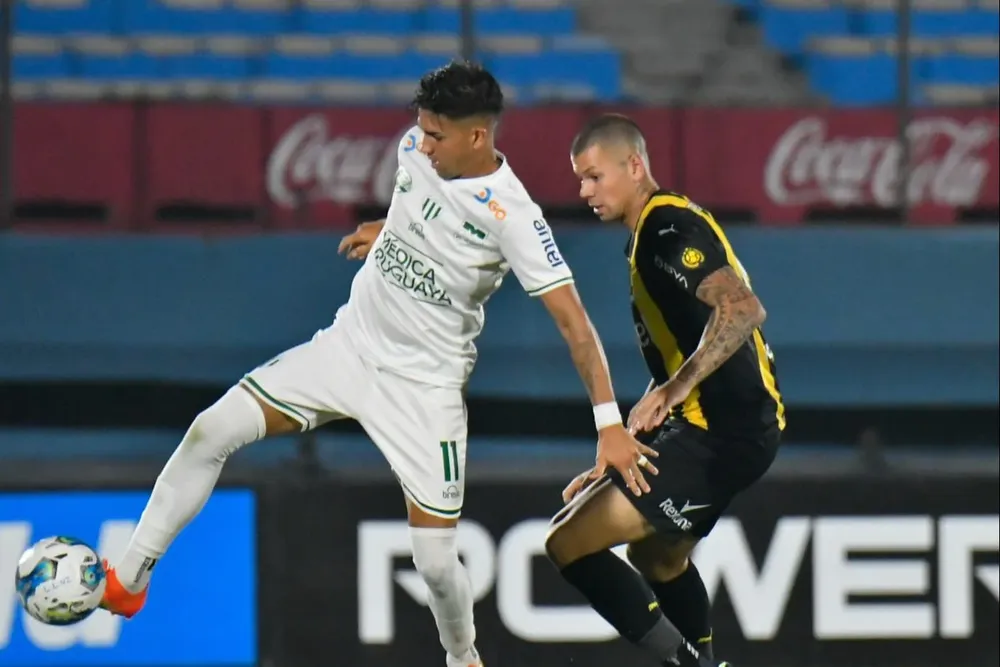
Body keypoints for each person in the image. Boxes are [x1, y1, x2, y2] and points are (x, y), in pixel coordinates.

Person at [98, 64, 657, 667]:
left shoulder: (513, 217)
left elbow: (576, 326)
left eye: (438, 135)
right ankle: (129, 579)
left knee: (436, 565)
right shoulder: (416, 147)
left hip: (425, 391)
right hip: (348, 347)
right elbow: (417, 204)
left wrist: (608, 425)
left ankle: (463, 657)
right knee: (212, 429)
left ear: (477, 137)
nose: (423, 142)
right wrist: (389, 231)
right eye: (422, 129)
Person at [543, 113, 786, 667]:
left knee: (567, 542)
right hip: (728, 430)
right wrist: (624, 444)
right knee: (657, 560)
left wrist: (674, 388)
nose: (584, 192)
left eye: (595, 176)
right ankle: (702, 657)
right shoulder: (650, 234)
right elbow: (691, 339)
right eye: (580, 179)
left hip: (720, 433)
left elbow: (743, 308)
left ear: (634, 166)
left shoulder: (665, 229)